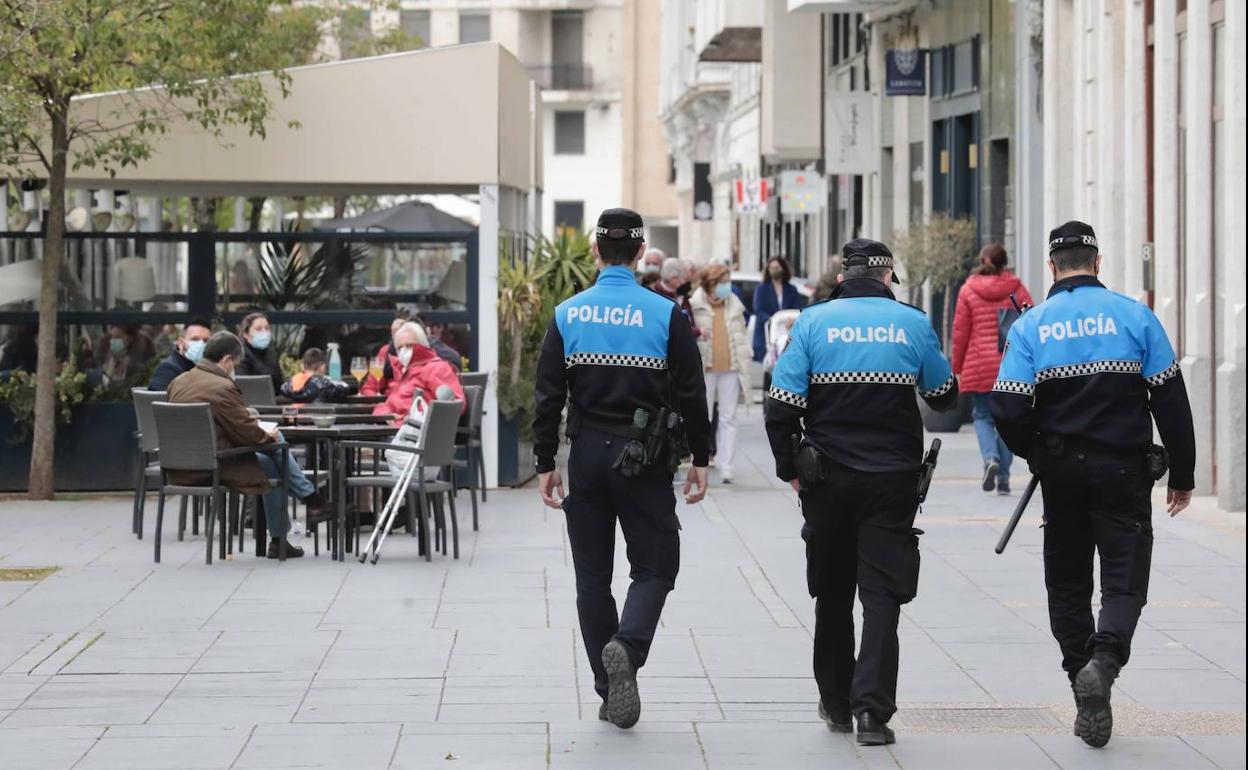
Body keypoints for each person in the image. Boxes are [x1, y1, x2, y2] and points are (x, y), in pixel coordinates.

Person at [990, 221, 1195, 749]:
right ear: (1098, 263)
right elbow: (1170, 400)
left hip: (1062, 476)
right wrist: (1184, 474)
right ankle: (1104, 662)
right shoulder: (1135, 317)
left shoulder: (1031, 325)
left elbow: (1008, 409)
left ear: (1053, 267)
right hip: (1125, 472)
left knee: (1067, 583)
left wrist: (1039, 452)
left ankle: (1081, 676)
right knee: (1125, 582)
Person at [764, 238, 958, 747]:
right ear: (888, 275)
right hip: (892, 481)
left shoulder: (811, 322)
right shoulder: (913, 323)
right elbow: (943, 395)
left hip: (826, 480)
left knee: (831, 592)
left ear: (843, 276)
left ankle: (835, 701)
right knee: (881, 595)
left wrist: (790, 467)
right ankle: (872, 712)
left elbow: (781, 405)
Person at [533, 208, 711, 730]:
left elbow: (548, 396)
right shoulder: (665, 315)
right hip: (644, 458)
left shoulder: (569, 313)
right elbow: (692, 393)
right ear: (639, 254)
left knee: (592, 577)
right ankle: (628, 649)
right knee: (656, 566)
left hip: (586, 454)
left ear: (595, 251)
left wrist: (546, 461)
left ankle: (608, 689)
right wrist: (700, 457)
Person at [166, 331, 331, 559]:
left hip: (179, 467)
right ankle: (309, 501)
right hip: (216, 465)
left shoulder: (178, 381)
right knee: (276, 444)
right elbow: (248, 434)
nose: (235, 368)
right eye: (235, 363)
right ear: (225, 360)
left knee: (272, 460)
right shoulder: (222, 386)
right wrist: (269, 435)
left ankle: (292, 523)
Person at [951, 243, 1035, 495]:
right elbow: (1031, 323)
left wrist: (957, 367)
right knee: (1006, 421)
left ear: (984, 260)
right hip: (1010, 367)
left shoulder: (968, 290)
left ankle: (990, 459)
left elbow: (960, 333)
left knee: (982, 416)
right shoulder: (1017, 289)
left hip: (979, 365)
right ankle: (1005, 479)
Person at [689, 263, 752, 484]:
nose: (728, 286)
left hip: (731, 367)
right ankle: (701, 460)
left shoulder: (734, 303)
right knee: (702, 417)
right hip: (705, 368)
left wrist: (746, 356)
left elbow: (742, 333)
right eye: (724, 281)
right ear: (711, 282)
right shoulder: (695, 303)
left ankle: (727, 466)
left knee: (728, 418)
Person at [362, 321, 464, 425]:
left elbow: (454, 405)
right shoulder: (404, 371)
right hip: (396, 432)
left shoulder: (436, 368)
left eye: (409, 345)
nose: (404, 350)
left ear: (422, 344)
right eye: (400, 348)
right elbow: (388, 404)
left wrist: (417, 421)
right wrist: (386, 415)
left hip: (416, 436)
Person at [751, 257, 802, 363]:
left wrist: (792, 318)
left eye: (777, 267)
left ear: (783, 268)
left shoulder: (791, 289)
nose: (774, 270)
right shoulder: (762, 289)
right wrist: (772, 319)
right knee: (769, 368)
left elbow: (797, 309)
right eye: (772, 268)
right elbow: (758, 310)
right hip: (767, 333)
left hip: (787, 333)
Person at [148, 318, 213, 391]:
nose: (201, 344)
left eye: (206, 341)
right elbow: (158, 400)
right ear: (181, 343)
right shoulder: (168, 369)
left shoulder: (208, 369)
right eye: (195, 339)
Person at [93, 324, 156, 393]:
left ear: (130, 338)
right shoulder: (103, 351)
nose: (113, 341)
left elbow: (133, 385)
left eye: (118, 337)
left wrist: (109, 384)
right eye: (111, 337)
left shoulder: (142, 357)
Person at [281, 348, 352, 404]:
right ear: (322, 367)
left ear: (303, 366)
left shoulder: (290, 383)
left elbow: (283, 388)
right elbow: (345, 389)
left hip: (299, 420)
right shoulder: (323, 384)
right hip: (320, 421)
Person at [235, 312, 283, 392]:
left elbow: (279, 383)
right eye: (258, 329)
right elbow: (243, 384)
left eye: (267, 328)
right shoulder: (241, 354)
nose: (264, 332)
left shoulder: (271, 353)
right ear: (246, 334)